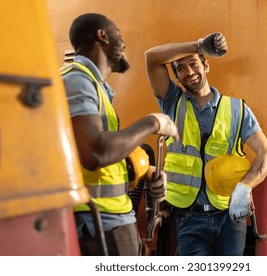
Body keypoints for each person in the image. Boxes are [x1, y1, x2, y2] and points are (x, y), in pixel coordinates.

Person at [144, 32, 267, 256]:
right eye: (181, 68)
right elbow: (151, 58)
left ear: (206, 66)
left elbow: (266, 154)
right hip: (189, 218)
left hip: (230, 218)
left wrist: (246, 187)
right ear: (176, 77)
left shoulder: (237, 110)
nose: (189, 72)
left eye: (193, 64)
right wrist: (198, 45)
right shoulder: (172, 103)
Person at [60, 13, 179, 256]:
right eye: (119, 35)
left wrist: (146, 171)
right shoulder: (77, 80)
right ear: (102, 36)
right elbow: (95, 151)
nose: (123, 44)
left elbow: (101, 155)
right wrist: (152, 122)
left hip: (114, 220)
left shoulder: (94, 85)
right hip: (98, 226)